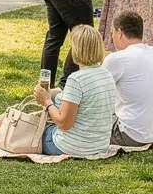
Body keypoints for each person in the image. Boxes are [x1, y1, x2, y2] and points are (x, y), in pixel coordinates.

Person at [33, 24, 116, 156]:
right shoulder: (106, 74)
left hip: (71, 146)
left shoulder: (76, 79)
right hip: (99, 145)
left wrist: (47, 101)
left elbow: (63, 123)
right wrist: (52, 93)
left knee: (27, 126)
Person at [104, 11, 153, 146]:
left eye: (112, 32)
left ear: (120, 32)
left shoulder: (117, 59)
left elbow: (92, 90)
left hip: (131, 135)